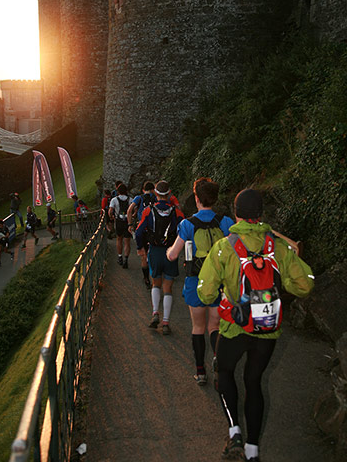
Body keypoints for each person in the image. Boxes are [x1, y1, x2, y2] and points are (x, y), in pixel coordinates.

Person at [197, 188, 315, 462]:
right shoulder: (279, 248)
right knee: (254, 381)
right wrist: (280, 286)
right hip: (267, 329)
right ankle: (252, 450)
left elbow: (205, 293)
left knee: (224, 372)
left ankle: (234, 431)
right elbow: (305, 284)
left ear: (236, 213)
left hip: (234, 328)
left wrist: (223, 293)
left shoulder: (224, 247)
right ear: (261, 215)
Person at [167, 178, 234, 385]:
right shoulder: (225, 222)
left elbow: (172, 255)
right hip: (219, 283)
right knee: (215, 327)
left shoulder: (187, 224)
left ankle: (200, 372)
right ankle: (218, 360)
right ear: (215, 199)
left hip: (196, 283)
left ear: (196, 199)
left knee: (198, 327)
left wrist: (169, 250)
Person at [135, 180, 184, 334]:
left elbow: (138, 232)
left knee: (156, 283)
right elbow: (184, 229)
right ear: (169, 194)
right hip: (170, 252)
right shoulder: (176, 212)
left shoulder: (148, 211)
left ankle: (155, 313)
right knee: (168, 287)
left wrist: (140, 247)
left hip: (155, 251)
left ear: (156, 194)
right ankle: (166, 323)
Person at [127, 181, 156, 288]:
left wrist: (130, 224)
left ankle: (146, 279)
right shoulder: (156, 198)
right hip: (153, 230)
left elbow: (129, 210)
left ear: (144, 189)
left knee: (143, 255)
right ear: (153, 189)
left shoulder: (139, 198)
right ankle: (155, 282)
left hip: (142, 228)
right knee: (153, 254)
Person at [109, 183, 132, 268]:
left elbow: (110, 211)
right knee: (127, 242)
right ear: (126, 191)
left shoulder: (114, 200)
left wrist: (111, 217)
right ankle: (126, 259)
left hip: (119, 221)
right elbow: (135, 209)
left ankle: (120, 257)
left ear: (118, 191)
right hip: (127, 221)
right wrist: (132, 216)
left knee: (119, 239)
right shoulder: (130, 199)